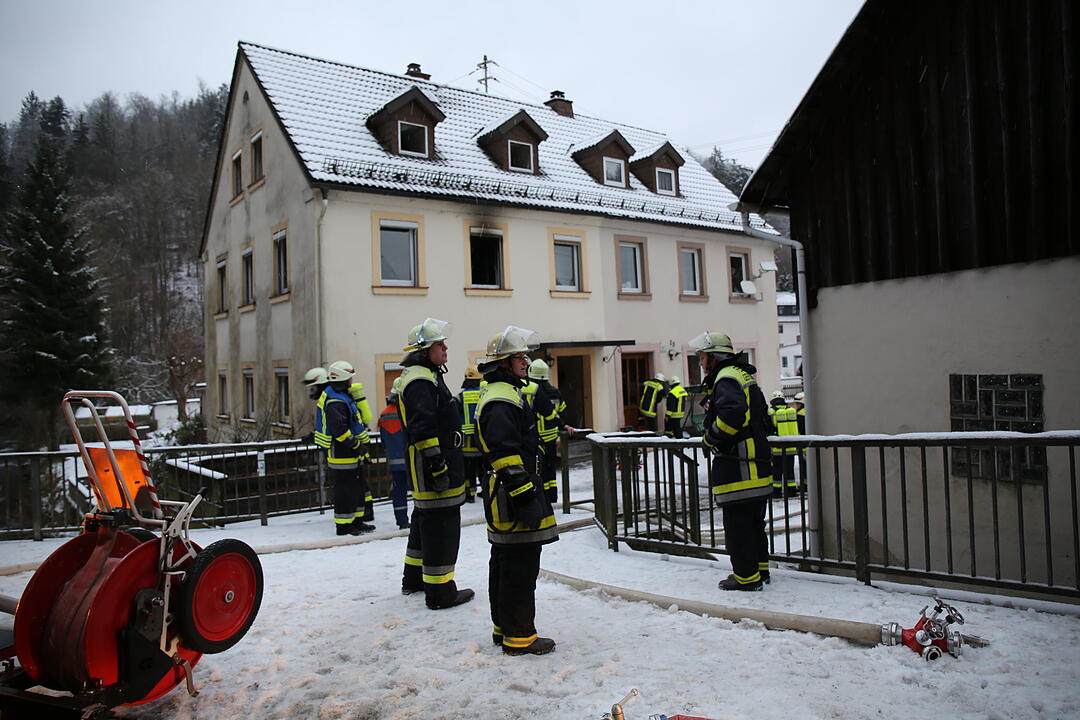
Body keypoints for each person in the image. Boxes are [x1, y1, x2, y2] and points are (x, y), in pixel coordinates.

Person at [476, 325, 559, 655]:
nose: (526, 362)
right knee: (519, 568)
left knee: (506, 562)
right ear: (503, 363)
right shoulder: (501, 400)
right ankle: (519, 636)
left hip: (505, 492)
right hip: (511, 495)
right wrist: (525, 496)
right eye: (519, 357)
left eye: (525, 356)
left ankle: (505, 628)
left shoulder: (503, 393)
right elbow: (506, 454)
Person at [398, 318, 474, 610]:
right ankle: (441, 592)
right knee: (442, 528)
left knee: (424, 523)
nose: (445, 348)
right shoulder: (421, 380)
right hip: (434, 466)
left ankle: (414, 579)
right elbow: (423, 429)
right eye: (439, 345)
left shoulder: (423, 375)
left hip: (432, 463)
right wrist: (438, 465)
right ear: (424, 350)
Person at [689, 331, 773, 590]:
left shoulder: (725, 378)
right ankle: (760, 571)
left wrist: (711, 438)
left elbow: (732, 415)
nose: (701, 363)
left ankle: (747, 578)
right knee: (755, 525)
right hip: (756, 463)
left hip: (739, 466)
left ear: (714, 357)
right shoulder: (741, 374)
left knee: (738, 527)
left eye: (703, 357)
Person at [314, 361, 374, 535]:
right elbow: (339, 430)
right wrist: (356, 444)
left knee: (356, 487)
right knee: (345, 490)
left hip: (350, 450)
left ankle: (356, 521)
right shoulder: (336, 402)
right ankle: (344, 525)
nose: (351, 381)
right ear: (343, 379)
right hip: (342, 452)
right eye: (350, 378)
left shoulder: (341, 396)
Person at [340, 362, 376, 523]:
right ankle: (366, 512)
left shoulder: (342, 398)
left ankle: (363, 513)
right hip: (361, 446)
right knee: (361, 484)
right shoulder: (351, 400)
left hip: (354, 448)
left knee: (357, 484)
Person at [527, 359, 565, 503]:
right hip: (551, 437)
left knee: (538, 470)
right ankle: (552, 496)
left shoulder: (531, 391)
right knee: (550, 468)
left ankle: (541, 498)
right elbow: (562, 411)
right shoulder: (555, 392)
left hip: (536, 438)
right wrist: (562, 425)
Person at [378, 377, 411, 529]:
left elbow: (383, 440)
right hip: (410, 458)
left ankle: (402, 520)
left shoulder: (384, 414)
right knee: (419, 491)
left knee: (399, 491)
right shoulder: (408, 411)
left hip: (394, 461)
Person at [458, 365, 484, 503]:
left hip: (466, 442)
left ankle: (469, 494)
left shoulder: (460, 397)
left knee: (468, 470)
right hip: (481, 440)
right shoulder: (484, 394)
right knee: (483, 468)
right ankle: (485, 491)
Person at [768, 390, 799, 497]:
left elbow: (769, 426)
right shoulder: (790, 410)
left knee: (777, 470)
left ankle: (776, 492)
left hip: (777, 447)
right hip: (791, 446)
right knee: (789, 470)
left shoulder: (771, 411)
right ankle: (791, 491)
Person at [300, 367, 328, 443]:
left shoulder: (330, 402)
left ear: (321, 386)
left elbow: (333, 425)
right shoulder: (325, 400)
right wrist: (315, 434)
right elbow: (324, 424)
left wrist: (315, 437)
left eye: (313, 387)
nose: (311, 390)